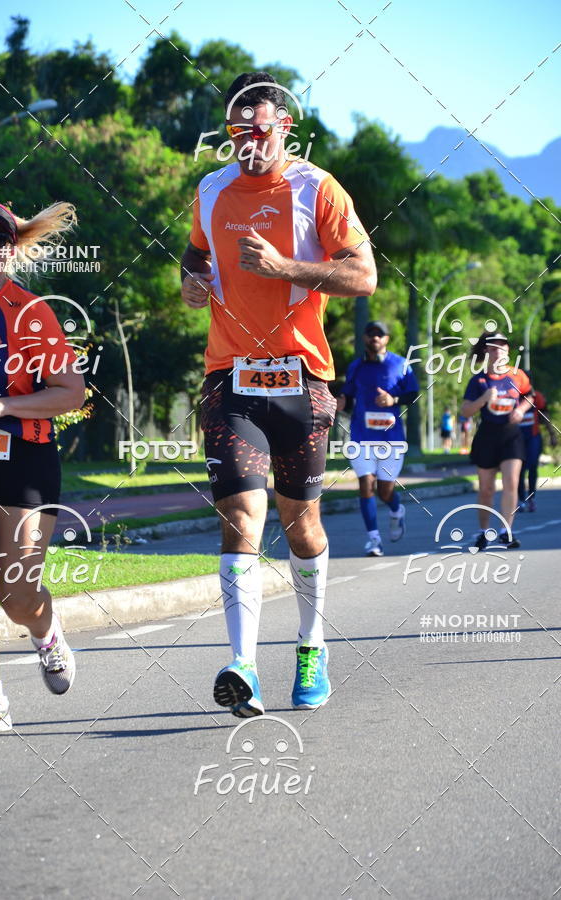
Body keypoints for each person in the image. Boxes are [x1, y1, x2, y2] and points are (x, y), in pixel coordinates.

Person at [181, 73, 376, 716]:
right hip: (230, 378)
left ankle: (311, 646)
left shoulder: (315, 188)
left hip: (303, 380)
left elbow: (363, 274)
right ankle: (243, 665)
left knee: (302, 527)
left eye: (261, 128)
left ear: (284, 127)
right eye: (239, 129)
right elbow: (195, 258)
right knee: (240, 516)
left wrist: (287, 268)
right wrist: (191, 281)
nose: (251, 140)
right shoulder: (209, 190)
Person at [0, 199, 85, 736]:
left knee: (17, 597)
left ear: (11, 248)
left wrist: (4, 406)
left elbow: (70, 392)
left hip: (24, 462)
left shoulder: (29, 313)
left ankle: (47, 632)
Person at [336, 321, 419, 557]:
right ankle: (374, 540)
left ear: (387, 339)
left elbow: (412, 394)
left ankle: (396, 509)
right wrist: (342, 400)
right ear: (364, 338)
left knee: (384, 492)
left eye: (379, 334)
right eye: (371, 334)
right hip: (361, 437)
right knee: (365, 485)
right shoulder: (356, 367)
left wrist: (393, 400)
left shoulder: (401, 364)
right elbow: (349, 395)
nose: (375, 338)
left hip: (391, 439)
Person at [460, 332, 532, 550]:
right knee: (486, 489)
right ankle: (483, 532)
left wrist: (521, 409)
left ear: (508, 350)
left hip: (511, 435)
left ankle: (506, 532)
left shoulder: (517, 375)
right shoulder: (479, 380)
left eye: (502, 346)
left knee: (511, 482)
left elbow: (530, 396)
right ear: (486, 352)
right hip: (487, 435)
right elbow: (465, 410)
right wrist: (483, 399)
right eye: (493, 348)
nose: (498, 350)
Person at [518, 386, 557, 512]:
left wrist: (552, 434)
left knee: (533, 466)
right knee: (519, 469)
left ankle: (531, 498)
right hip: (517, 439)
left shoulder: (536, 396)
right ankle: (520, 499)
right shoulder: (512, 395)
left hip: (533, 437)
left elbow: (545, 415)